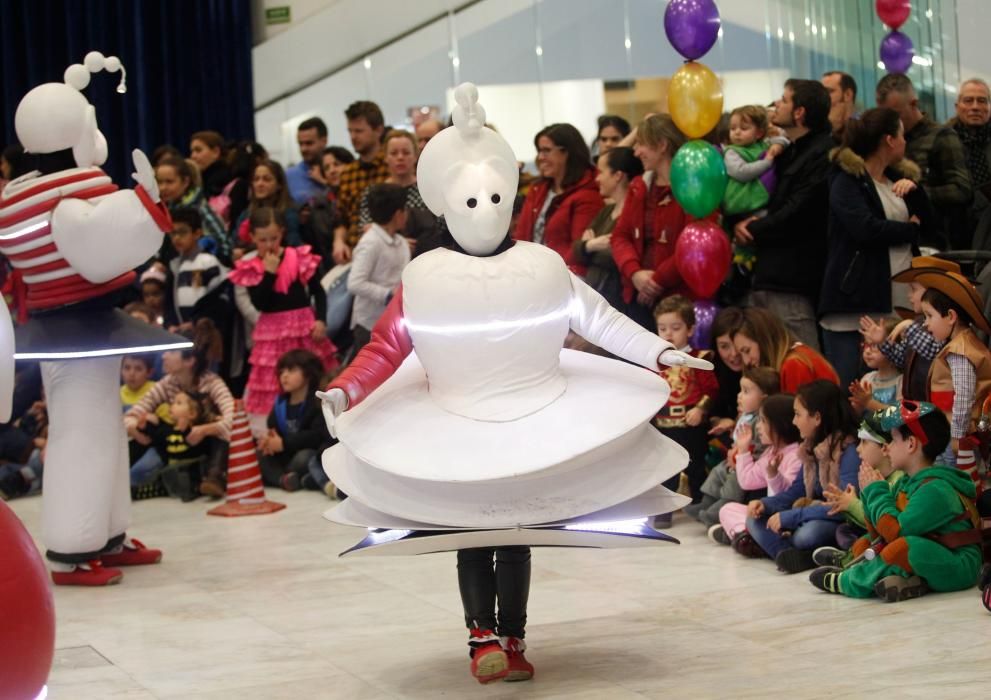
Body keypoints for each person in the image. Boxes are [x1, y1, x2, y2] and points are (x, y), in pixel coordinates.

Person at [317, 85, 712, 684]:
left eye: (496, 197)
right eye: (471, 199)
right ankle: (482, 636)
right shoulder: (425, 275)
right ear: (448, 205)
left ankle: (514, 636)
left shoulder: (542, 265)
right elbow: (388, 345)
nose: (485, 209)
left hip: (537, 413)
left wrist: (660, 351)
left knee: (518, 528)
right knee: (474, 528)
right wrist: (347, 389)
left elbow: (600, 320)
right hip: (453, 417)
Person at [0, 54, 187, 585]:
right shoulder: (61, 200)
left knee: (101, 428)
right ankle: (70, 547)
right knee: (81, 434)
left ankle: (105, 534)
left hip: (79, 326)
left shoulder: (21, 199)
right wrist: (144, 204)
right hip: (71, 329)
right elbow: (101, 245)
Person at [809, 401, 982, 601]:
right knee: (868, 542)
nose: (886, 448)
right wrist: (867, 492)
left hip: (959, 565)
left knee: (904, 548)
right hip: (935, 554)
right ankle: (904, 580)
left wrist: (875, 491)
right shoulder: (906, 482)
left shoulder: (936, 489)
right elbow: (878, 532)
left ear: (911, 444)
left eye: (891, 440)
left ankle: (847, 581)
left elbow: (895, 533)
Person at [818, 107, 933, 388]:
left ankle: (897, 435)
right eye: (902, 136)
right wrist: (910, 229)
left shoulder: (898, 179)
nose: (906, 142)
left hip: (899, 300)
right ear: (889, 140)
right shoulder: (846, 179)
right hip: (855, 303)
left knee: (897, 385)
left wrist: (916, 193)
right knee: (851, 387)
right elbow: (865, 228)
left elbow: (930, 222)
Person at [733, 79, 834, 351]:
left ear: (799, 112)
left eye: (784, 99)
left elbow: (799, 210)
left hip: (794, 278)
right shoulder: (791, 150)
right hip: (771, 273)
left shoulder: (822, 152)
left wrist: (754, 228)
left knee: (801, 361)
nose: (776, 104)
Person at [229, 207, 338, 418]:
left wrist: (321, 320)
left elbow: (318, 292)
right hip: (272, 331)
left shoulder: (297, 257)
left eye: (274, 238)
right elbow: (260, 303)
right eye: (263, 240)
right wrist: (269, 273)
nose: (269, 245)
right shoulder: (250, 266)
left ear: (282, 232)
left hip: (303, 326)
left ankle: (317, 418)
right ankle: (278, 423)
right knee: (276, 380)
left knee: (312, 375)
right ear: (252, 238)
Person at [740, 380, 860, 573]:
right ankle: (793, 555)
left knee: (808, 534)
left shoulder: (848, 451)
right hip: (811, 513)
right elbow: (796, 491)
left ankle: (785, 550)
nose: (794, 421)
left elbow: (845, 507)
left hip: (840, 521)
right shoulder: (809, 448)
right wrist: (765, 504)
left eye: (797, 414)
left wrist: (792, 517)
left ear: (817, 418)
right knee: (754, 519)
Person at [125, 321, 235, 498]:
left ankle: (214, 477)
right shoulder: (168, 382)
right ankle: (116, 477)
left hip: (201, 446)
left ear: (190, 361)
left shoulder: (212, 383)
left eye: (171, 351)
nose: (164, 356)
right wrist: (133, 426)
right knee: (143, 425)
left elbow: (233, 419)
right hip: (175, 441)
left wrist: (207, 429)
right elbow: (135, 412)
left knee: (220, 436)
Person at [612, 114, 696, 330]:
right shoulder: (639, 186)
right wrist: (635, 273)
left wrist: (657, 281)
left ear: (662, 145)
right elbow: (620, 236)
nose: (636, 151)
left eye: (642, 144)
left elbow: (693, 245)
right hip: (637, 296)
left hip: (680, 303)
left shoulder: (692, 187)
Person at [876, 73, 973, 249]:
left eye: (895, 115)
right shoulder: (886, 140)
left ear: (914, 104)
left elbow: (962, 190)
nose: (889, 122)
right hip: (899, 238)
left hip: (936, 242)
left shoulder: (942, 137)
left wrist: (916, 193)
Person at [916, 270, 991, 475]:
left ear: (950, 316)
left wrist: (957, 436)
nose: (925, 323)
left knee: (953, 483)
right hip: (951, 432)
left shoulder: (960, 350)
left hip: (956, 436)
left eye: (929, 315)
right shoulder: (963, 344)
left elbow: (964, 397)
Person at [691, 366, 780, 529]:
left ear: (764, 398)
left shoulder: (760, 421)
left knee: (733, 482)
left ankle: (717, 511)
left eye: (746, 392)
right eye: (740, 390)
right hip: (735, 460)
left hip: (747, 464)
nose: (739, 396)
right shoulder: (745, 416)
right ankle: (706, 503)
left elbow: (759, 449)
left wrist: (737, 456)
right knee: (717, 472)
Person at [653, 295, 719, 512]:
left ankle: (700, 507)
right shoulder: (653, 361)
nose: (668, 334)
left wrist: (701, 408)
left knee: (696, 466)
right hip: (663, 424)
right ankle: (665, 509)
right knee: (665, 468)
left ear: (690, 329)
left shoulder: (700, 358)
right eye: (662, 328)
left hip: (691, 425)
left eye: (675, 327)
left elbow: (711, 389)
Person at [813, 409, 904, 565]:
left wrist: (852, 504)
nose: (858, 449)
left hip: (894, 539)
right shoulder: (872, 474)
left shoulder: (899, 480)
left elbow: (886, 522)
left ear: (883, 448)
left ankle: (852, 560)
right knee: (843, 531)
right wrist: (845, 503)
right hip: (877, 534)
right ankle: (852, 556)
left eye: (864, 442)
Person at [862, 256, 958, 401]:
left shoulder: (943, 326)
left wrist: (909, 326)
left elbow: (935, 352)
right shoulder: (918, 322)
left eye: (913, 289)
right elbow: (901, 359)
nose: (909, 295)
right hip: (915, 402)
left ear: (932, 291)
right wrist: (882, 341)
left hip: (936, 405)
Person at [711, 393, 803, 546]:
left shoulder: (796, 454)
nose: (758, 426)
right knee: (728, 509)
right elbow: (748, 481)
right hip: (766, 512)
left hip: (783, 516)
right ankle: (747, 537)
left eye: (763, 421)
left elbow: (786, 498)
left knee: (754, 520)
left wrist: (774, 475)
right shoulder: (771, 451)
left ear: (780, 425)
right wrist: (743, 450)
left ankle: (743, 536)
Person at [514, 123, 603, 273]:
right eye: (539, 151)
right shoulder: (537, 189)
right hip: (530, 273)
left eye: (546, 151)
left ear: (567, 152)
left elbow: (578, 252)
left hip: (565, 278)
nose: (540, 157)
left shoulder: (589, 194)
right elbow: (521, 237)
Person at [721, 105, 789, 281]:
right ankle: (742, 265)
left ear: (759, 133)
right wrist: (767, 162)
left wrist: (777, 145)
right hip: (741, 202)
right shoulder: (731, 152)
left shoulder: (762, 145)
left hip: (759, 200)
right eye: (733, 128)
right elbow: (741, 172)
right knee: (745, 236)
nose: (736, 133)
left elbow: (785, 140)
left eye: (744, 129)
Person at [571, 146, 643, 310]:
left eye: (601, 172)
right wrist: (590, 245)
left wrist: (588, 248)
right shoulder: (606, 211)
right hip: (597, 298)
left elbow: (617, 257)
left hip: (620, 304)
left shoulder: (633, 213)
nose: (597, 179)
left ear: (618, 176)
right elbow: (576, 251)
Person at [349, 184, 410, 353]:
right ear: (398, 214)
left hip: (394, 322)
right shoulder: (371, 242)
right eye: (405, 210)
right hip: (369, 324)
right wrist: (388, 294)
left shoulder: (401, 243)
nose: (407, 215)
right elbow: (355, 283)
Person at [257, 349, 330, 491]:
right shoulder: (280, 403)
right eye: (282, 371)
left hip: (305, 454)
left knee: (306, 457)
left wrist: (283, 443)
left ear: (308, 373)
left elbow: (316, 435)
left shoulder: (317, 401)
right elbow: (273, 429)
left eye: (291, 370)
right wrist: (269, 441)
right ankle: (284, 480)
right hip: (285, 456)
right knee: (259, 454)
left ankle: (283, 477)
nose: (284, 376)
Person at [357, 130, 437, 256]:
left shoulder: (429, 189)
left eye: (406, 152)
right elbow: (366, 228)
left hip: (427, 255)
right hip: (386, 259)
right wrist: (399, 244)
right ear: (385, 157)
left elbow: (440, 225)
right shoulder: (373, 192)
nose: (400, 157)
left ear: (415, 156)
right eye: (394, 153)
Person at [730, 307, 839, 393]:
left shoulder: (794, 364)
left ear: (765, 340)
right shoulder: (795, 356)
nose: (746, 361)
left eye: (747, 350)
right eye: (741, 354)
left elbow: (792, 419)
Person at [132, 390, 216, 502]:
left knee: (193, 475)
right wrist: (146, 427)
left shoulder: (196, 431)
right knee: (157, 483)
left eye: (179, 403)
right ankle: (136, 492)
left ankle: (195, 488)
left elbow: (199, 448)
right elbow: (158, 437)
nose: (172, 405)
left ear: (192, 414)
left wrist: (185, 431)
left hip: (192, 469)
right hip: (171, 472)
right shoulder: (169, 430)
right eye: (173, 402)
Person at [334, 101, 389, 263]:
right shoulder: (347, 173)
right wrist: (338, 242)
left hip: (386, 257)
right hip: (354, 255)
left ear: (378, 130)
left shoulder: (392, 167)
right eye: (350, 131)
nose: (353, 137)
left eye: (359, 131)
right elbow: (341, 218)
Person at [163, 208, 231, 332]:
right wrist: (170, 324)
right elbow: (169, 302)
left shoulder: (207, 262)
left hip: (204, 331)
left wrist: (197, 321)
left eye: (182, 232)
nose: (177, 238)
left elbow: (218, 299)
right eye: (173, 233)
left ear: (197, 233)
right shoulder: (174, 265)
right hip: (181, 330)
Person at [155, 155, 231, 263]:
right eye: (160, 182)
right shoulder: (168, 208)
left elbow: (224, 246)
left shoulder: (200, 208)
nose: (163, 187)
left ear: (185, 182)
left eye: (169, 182)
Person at [949, 78, 991, 238]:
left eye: (982, 101)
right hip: (955, 227)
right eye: (968, 100)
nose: (975, 107)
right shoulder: (943, 141)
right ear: (957, 106)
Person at [233, 159, 302, 249]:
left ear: (279, 185)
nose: (260, 184)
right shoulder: (246, 214)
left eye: (267, 179)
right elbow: (233, 242)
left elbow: (293, 246)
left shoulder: (289, 214)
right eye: (256, 179)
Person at [849, 324, 903, 415]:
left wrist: (868, 402)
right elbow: (855, 414)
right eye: (865, 345)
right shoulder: (868, 378)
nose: (867, 351)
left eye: (874, 346)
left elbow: (898, 416)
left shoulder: (901, 381)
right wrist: (857, 402)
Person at [189, 130, 235, 226]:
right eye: (192, 151)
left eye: (198, 150)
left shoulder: (223, 178)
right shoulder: (202, 177)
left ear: (215, 152)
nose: (193, 156)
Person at [286, 117, 329, 205]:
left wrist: (324, 182)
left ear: (324, 141)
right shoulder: (289, 176)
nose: (303, 149)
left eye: (309, 143)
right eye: (300, 144)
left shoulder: (338, 171)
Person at [821, 71, 858, 140]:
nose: (822, 96)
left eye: (829, 91)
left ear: (848, 94)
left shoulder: (862, 129)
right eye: (821, 92)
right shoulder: (822, 128)